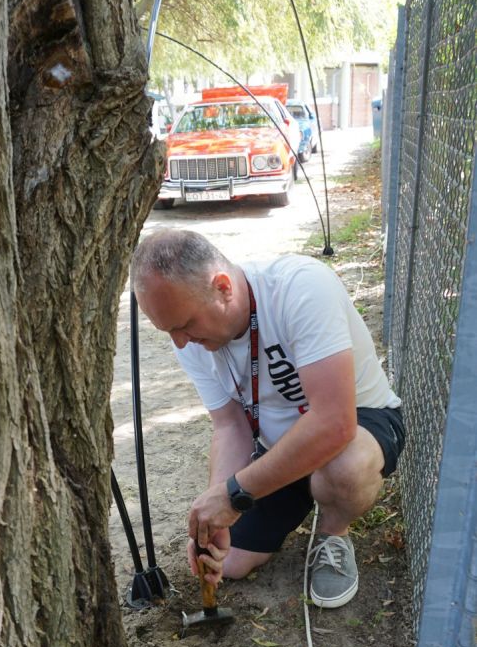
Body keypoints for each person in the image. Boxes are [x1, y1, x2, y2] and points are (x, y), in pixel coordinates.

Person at [131, 230, 405, 608]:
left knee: (342, 468)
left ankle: (333, 534)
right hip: (281, 446)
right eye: (168, 332)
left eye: (184, 325)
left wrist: (235, 494)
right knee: (234, 562)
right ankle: (300, 492)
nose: (180, 342)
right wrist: (216, 513)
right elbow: (230, 426)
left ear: (223, 287)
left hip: (360, 425)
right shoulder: (191, 337)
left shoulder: (301, 288)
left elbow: (333, 423)